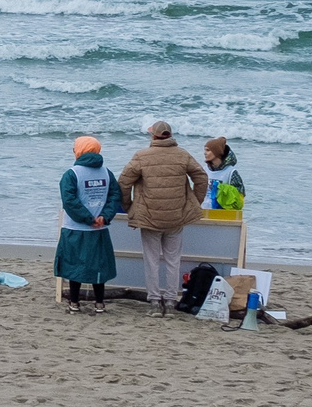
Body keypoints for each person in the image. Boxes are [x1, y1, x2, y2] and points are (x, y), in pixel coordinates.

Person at [117, 120, 207, 312]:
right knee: (173, 260)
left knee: (151, 259)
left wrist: (129, 206)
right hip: (176, 216)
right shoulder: (182, 155)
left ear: (154, 136)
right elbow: (201, 177)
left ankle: (155, 300)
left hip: (149, 217)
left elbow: (123, 182)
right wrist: (193, 202)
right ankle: (171, 299)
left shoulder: (141, 156)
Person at [54, 137, 121, 309]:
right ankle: (99, 303)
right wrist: (104, 217)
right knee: (99, 266)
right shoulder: (107, 173)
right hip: (100, 228)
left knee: (73, 265)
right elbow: (114, 197)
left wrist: (87, 219)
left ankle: (74, 302)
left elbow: (69, 201)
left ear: (79, 151)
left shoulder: (72, 173)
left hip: (75, 228)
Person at [203, 137, 244, 209]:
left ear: (217, 152)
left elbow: (239, 199)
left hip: (223, 214)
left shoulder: (231, 172)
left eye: (208, 150)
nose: (204, 153)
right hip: (203, 211)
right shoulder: (204, 169)